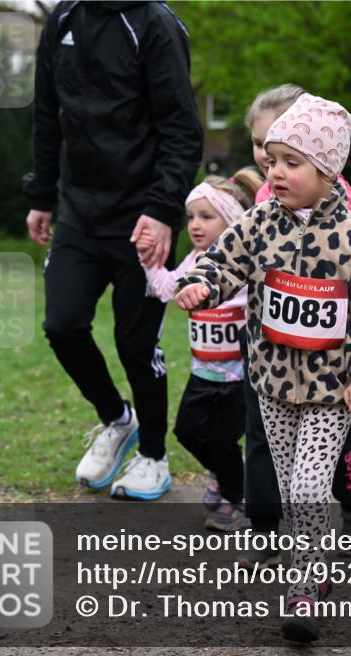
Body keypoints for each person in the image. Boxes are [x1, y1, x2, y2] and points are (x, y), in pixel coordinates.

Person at [175, 93, 351, 643]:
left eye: (291, 163)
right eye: (271, 161)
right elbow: (223, 261)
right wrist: (198, 284)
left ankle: (305, 582)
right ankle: (308, 561)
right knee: (293, 479)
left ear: (327, 170)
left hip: (329, 391)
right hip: (272, 383)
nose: (275, 172)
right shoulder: (259, 222)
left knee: (309, 483)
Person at [22, 1, 203, 500]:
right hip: (79, 212)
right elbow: (47, 112)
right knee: (62, 325)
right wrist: (41, 195)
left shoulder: (155, 24)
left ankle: (153, 456)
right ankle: (115, 419)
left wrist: (163, 209)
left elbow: (182, 130)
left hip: (142, 215)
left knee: (135, 344)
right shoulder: (62, 19)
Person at [237, 84, 351, 567]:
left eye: (280, 152)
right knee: (261, 433)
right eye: (260, 147)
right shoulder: (265, 196)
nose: (266, 160)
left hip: (328, 363)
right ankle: (265, 526)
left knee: (330, 459)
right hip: (271, 347)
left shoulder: (344, 208)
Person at [134, 173, 258, 523]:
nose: (195, 225)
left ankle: (239, 501)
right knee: (186, 433)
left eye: (207, 216)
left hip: (237, 379)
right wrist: (150, 262)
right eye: (191, 217)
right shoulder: (193, 260)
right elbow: (166, 290)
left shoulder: (245, 263)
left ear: (231, 219)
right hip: (201, 374)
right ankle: (227, 475)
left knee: (222, 441)